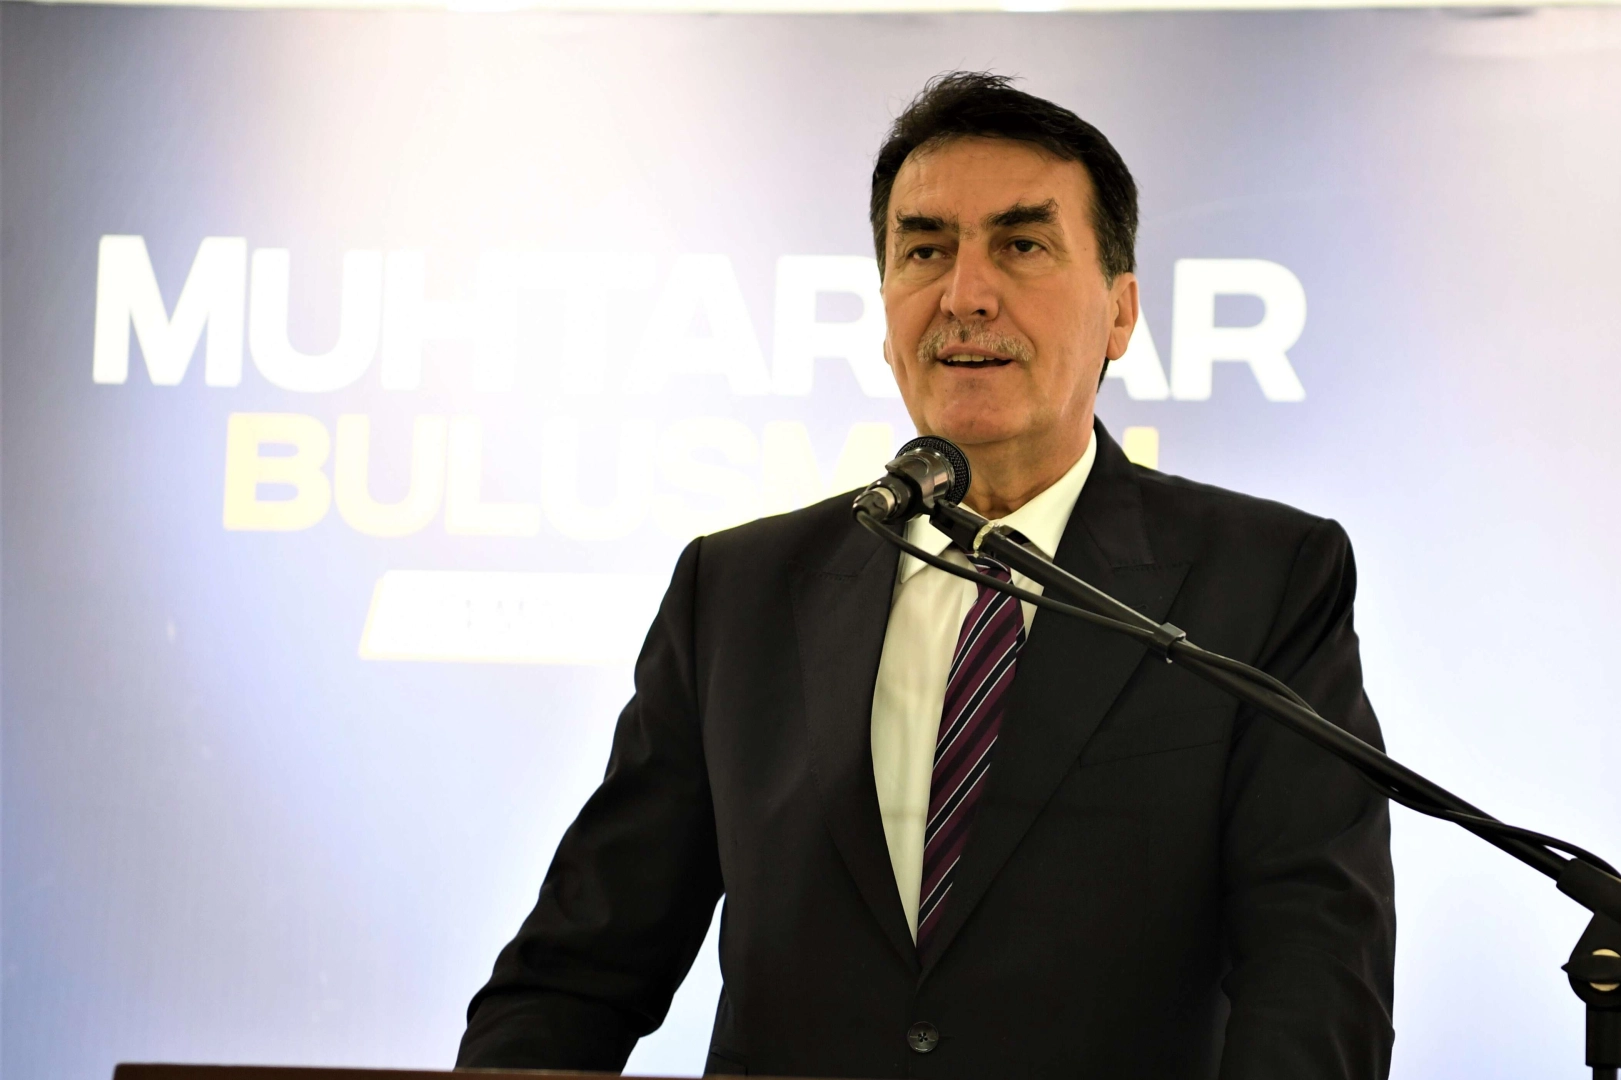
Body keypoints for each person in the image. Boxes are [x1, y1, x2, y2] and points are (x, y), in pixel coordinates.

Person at [457, 71, 1395, 1079]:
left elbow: (1315, 971)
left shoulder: (1261, 580)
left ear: (1120, 313)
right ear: (885, 305)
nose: (964, 295)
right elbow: (578, 970)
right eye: (925, 250)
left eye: (1021, 245)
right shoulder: (735, 592)